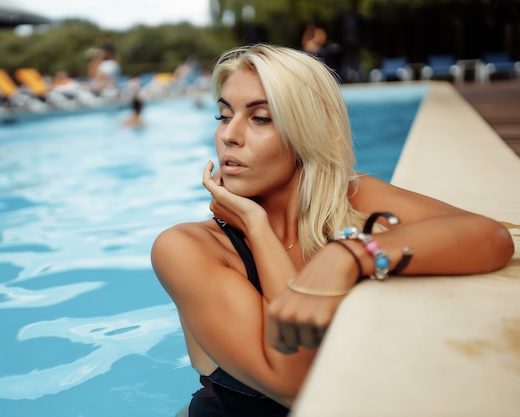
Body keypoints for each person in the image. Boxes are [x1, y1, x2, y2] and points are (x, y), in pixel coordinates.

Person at [150, 44, 513, 416]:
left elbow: (491, 238)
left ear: (306, 130)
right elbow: (297, 386)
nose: (231, 135)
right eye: (224, 116)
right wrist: (259, 230)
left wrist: (351, 254)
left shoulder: (352, 198)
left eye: (260, 118)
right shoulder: (186, 249)